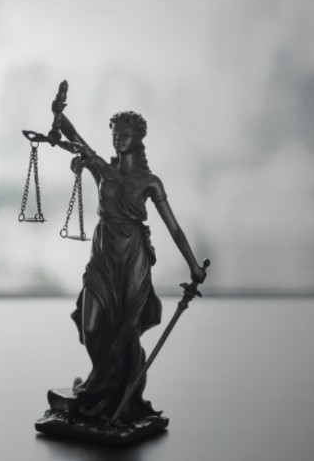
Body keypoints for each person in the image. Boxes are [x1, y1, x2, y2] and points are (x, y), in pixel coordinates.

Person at [50, 102, 206, 422]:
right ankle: (101, 382)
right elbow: (75, 138)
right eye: (114, 134)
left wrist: (193, 266)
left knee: (127, 329)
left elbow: (173, 227)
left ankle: (123, 398)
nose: (118, 139)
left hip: (133, 256)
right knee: (92, 325)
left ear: (138, 138)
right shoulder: (101, 169)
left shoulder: (150, 181)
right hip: (103, 253)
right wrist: (59, 116)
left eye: (124, 135)